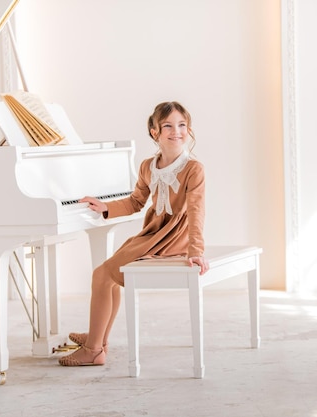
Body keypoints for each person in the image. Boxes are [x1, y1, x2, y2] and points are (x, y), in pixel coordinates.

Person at [59, 101, 209, 366]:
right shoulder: (148, 166)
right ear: (155, 132)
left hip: (174, 236)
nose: (177, 131)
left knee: (101, 274)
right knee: (108, 276)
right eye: (168, 126)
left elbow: (197, 211)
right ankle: (99, 337)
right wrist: (106, 207)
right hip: (154, 232)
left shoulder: (193, 169)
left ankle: (93, 349)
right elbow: (136, 202)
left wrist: (197, 251)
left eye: (182, 125)